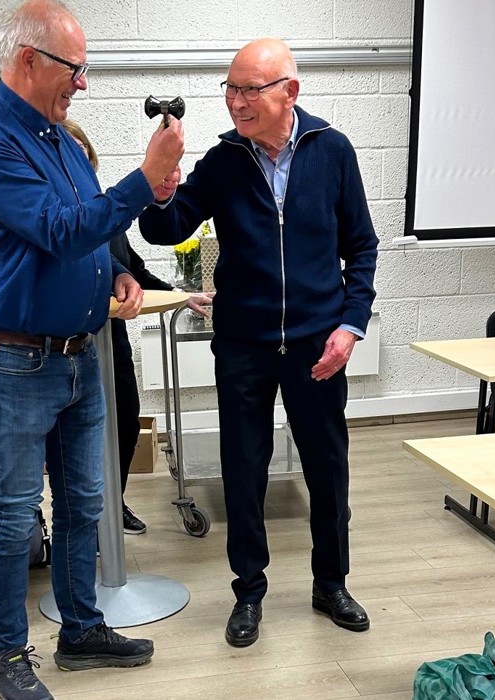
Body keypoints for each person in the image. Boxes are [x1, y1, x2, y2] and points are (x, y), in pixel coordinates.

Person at [0, 0, 184, 698]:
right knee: (14, 513)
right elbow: (56, 229)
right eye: (74, 69)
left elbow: (89, 231)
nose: (82, 83)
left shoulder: (59, 139)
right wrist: (143, 178)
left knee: (85, 504)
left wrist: (114, 271)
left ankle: (80, 629)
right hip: (16, 362)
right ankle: (6, 658)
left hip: (81, 354)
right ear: (29, 60)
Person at [139, 38, 378, 647]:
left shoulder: (333, 151)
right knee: (243, 470)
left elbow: (362, 247)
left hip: (317, 345)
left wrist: (350, 326)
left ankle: (331, 583)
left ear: (289, 91)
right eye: (230, 89)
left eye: (249, 90)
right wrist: (160, 188)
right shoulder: (223, 161)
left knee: (327, 468)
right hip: (244, 345)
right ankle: (249, 591)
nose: (236, 102)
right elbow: (165, 228)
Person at [62, 119, 212, 535]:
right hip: (71, 343)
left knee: (126, 422)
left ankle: (113, 503)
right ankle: (87, 519)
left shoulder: (106, 212)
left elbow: (133, 270)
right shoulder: (61, 216)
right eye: (69, 152)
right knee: (77, 437)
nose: (78, 158)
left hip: (113, 341)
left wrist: (181, 295)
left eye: (83, 152)